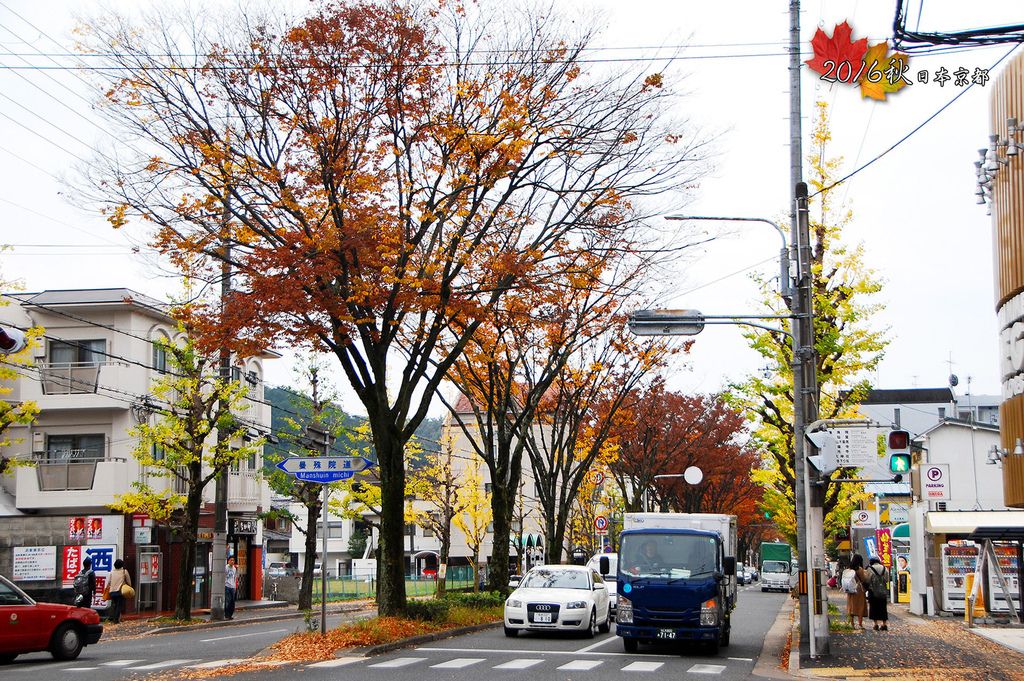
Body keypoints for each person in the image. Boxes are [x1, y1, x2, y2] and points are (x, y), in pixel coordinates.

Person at [866, 556, 890, 631]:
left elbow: (868, 580)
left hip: (873, 592)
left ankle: (875, 624)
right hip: (883, 591)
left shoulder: (870, 569)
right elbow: (887, 579)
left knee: (874, 608)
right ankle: (884, 624)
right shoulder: (884, 568)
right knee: (883, 608)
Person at [845, 553, 868, 630]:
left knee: (851, 606)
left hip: (850, 588)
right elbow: (863, 579)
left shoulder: (848, 568)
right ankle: (860, 624)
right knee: (860, 606)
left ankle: (852, 624)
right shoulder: (859, 569)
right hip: (858, 589)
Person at [108, 558, 132, 624]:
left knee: (115, 605)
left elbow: (109, 582)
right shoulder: (124, 571)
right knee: (119, 605)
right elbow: (128, 581)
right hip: (120, 591)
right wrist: (129, 586)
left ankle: (114, 618)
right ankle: (116, 619)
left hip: (112, 591)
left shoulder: (112, 572)